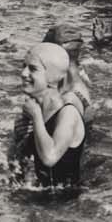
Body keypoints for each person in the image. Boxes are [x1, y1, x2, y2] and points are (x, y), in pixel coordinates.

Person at [16, 43, 87, 190]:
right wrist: (19, 139)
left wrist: (36, 117)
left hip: (66, 204)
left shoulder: (68, 113)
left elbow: (50, 157)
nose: (23, 73)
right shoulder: (33, 108)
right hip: (35, 197)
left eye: (32, 69)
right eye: (23, 66)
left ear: (53, 76)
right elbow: (19, 165)